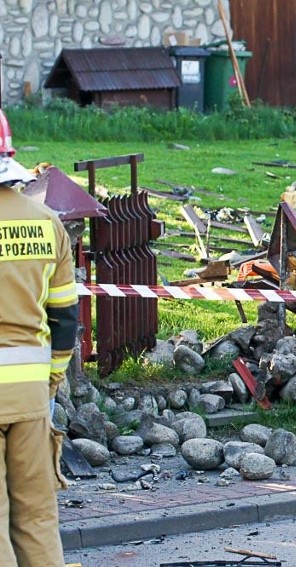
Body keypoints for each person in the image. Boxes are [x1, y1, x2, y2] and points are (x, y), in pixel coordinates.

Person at [0, 109, 78, 567]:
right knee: (36, 517)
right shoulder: (47, 223)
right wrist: (49, 383)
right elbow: (65, 319)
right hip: (30, 394)